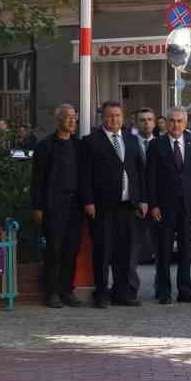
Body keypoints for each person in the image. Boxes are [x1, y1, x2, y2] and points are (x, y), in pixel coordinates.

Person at [81, 100, 147, 308]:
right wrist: (88, 201)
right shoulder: (91, 141)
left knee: (125, 252)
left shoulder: (131, 139)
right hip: (103, 206)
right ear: (103, 117)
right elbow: (85, 176)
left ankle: (123, 293)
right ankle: (101, 294)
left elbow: (140, 172)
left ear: (123, 117)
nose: (114, 119)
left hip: (129, 206)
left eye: (118, 115)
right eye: (110, 116)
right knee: (103, 251)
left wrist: (143, 199)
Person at [147, 107, 191, 303]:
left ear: (185, 123)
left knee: (186, 250)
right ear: (166, 123)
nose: (176, 125)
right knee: (163, 251)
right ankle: (163, 291)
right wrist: (153, 205)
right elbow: (151, 178)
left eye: (179, 121)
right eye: (172, 121)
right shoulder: (156, 145)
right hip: (164, 207)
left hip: (187, 205)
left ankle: (185, 291)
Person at [31, 104, 84, 308]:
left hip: (75, 206)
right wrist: (38, 207)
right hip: (53, 206)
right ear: (58, 120)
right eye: (68, 117)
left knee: (72, 250)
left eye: (74, 117)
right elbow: (37, 180)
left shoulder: (78, 146)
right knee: (53, 250)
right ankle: (51, 293)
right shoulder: (45, 146)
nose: (72, 121)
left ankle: (67, 290)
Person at [128, 107, 159, 298]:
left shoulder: (163, 144)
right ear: (136, 123)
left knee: (161, 250)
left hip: (158, 205)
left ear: (154, 123)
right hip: (135, 204)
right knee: (132, 249)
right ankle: (131, 288)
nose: (146, 123)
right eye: (142, 120)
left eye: (149, 119)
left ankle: (161, 288)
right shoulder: (129, 144)